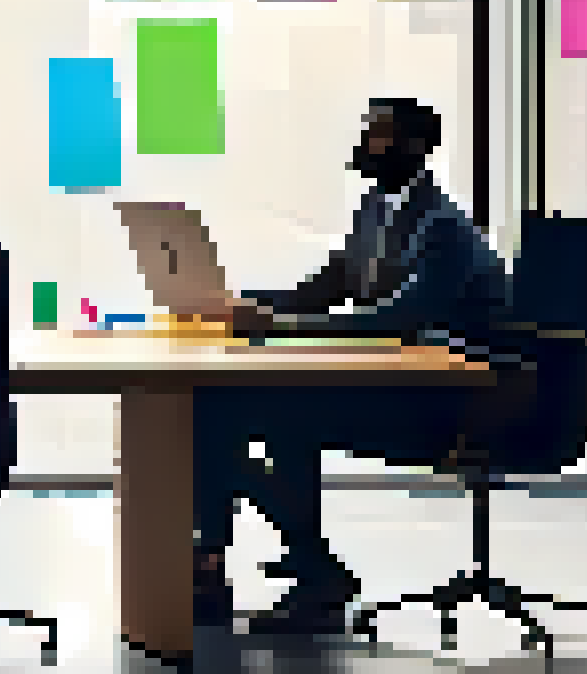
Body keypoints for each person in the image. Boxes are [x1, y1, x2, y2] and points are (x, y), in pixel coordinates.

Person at [191, 98, 507, 634]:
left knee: (262, 417)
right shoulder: (375, 210)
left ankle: (310, 573)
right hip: (398, 386)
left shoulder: (443, 226)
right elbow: (331, 286)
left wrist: (288, 330)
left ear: (413, 148)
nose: (363, 141)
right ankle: (230, 567)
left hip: (449, 404)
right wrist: (246, 306)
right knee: (219, 408)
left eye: (377, 133)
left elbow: (397, 317)